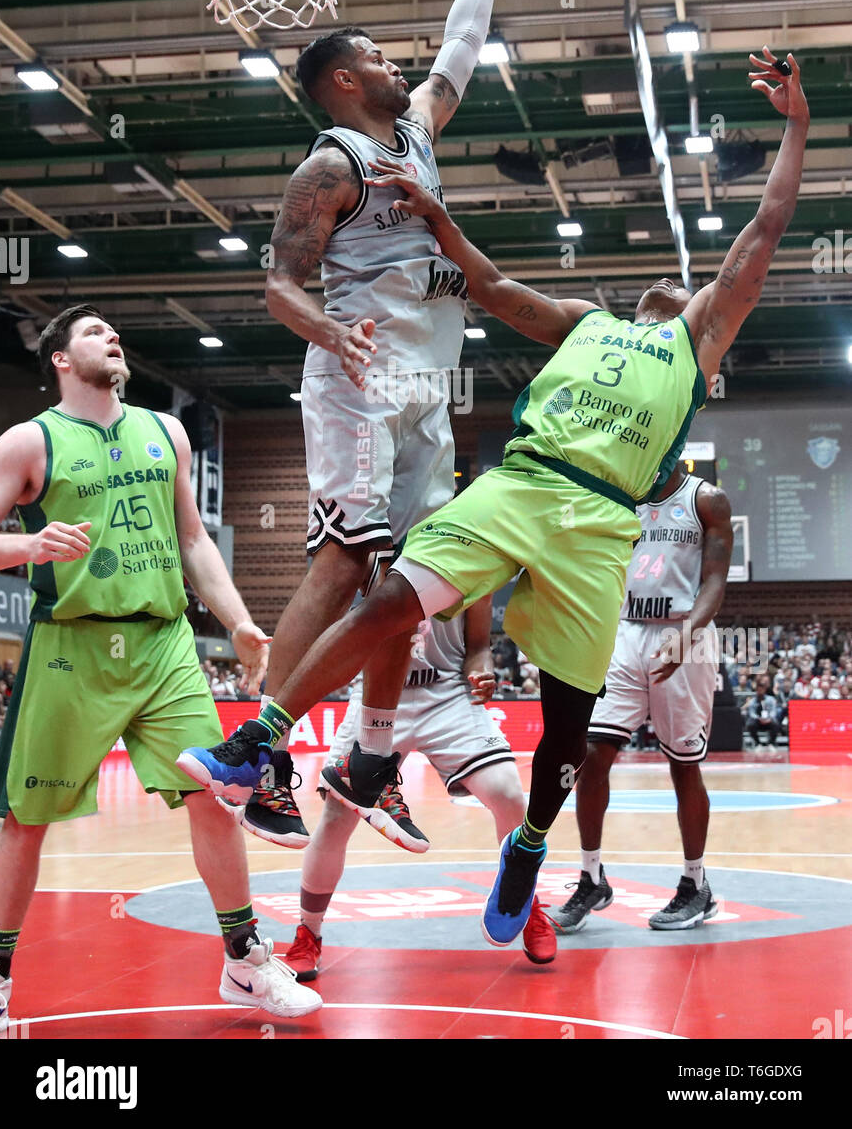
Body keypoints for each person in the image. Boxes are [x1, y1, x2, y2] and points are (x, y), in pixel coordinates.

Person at [180, 48, 809, 952]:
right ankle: (262, 738)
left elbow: (766, 229)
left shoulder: (699, 339)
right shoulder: (587, 324)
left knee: (565, 732)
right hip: (522, 482)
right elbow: (490, 288)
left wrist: (793, 127)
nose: (666, 287)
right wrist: (434, 213)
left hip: (598, 523)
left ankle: (531, 845)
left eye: (683, 284)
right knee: (392, 594)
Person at [177, 0, 508, 845]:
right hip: (357, 385)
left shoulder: (414, 133)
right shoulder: (331, 165)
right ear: (343, 81)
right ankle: (262, 755)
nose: (393, 60)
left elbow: (460, 49)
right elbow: (278, 284)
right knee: (345, 560)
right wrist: (328, 332)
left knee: (412, 577)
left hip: (425, 393)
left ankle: (368, 760)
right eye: (373, 53)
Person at [0, 305, 321, 1039]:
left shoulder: (166, 432)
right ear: (62, 361)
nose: (111, 336)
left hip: (165, 641)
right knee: (23, 822)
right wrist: (29, 546)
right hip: (71, 645)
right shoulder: (28, 442)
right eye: (93, 331)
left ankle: (243, 958)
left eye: (113, 330)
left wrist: (235, 619)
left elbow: (194, 539)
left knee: (214, 794)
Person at [277, 593, 556, 976]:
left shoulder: (471, 550)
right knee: (337, 815)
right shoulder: (371, 545)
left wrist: (482, 671)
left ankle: (524, 902)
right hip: (376, 693)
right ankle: (308, 932)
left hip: (447, 694)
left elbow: (477, 648)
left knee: (508, 792)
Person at [555, 462, 732, 934]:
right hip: (626, 632)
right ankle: (592, 877)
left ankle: (696, 885)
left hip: (684, 632)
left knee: (682, 764)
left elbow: (715, 582)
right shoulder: (617, 496)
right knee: (590, 755)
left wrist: (688, 633)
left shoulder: (706, 501)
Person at [744, 677, 781, 748]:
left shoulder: (771, 699)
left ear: (764, 690)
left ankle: (771, 743)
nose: (760, 691)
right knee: (750, 724)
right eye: (758, 690)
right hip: (758, 721)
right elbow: (752, 713)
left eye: (762, 690)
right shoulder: (753, 701)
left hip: (769, 720)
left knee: (776, 724)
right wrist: (759, 719)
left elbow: (773, 711)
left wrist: (769, 718)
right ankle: (758, 743)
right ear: (756, 691)